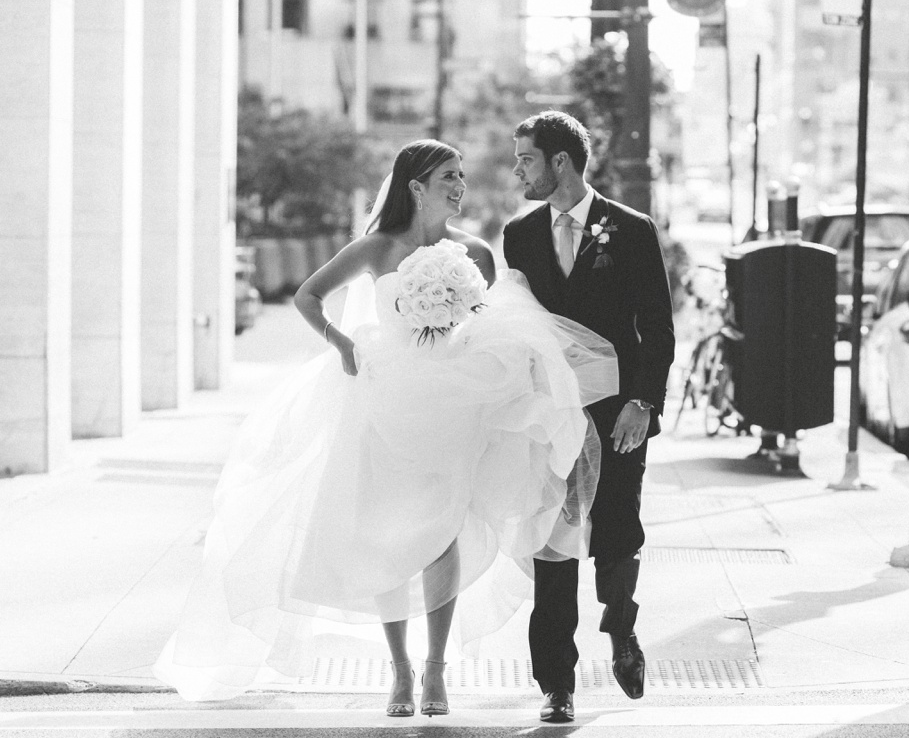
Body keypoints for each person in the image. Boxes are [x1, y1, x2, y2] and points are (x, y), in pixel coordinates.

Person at [154, 140, 618, 718]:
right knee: (385, 531)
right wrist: (342, 343)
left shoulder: (475, 252)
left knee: (444, 530)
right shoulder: (375, 247)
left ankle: (434, 670)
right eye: (448, 176)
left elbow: (492, 322)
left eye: (461, 176)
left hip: (453, 405)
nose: (459, 186)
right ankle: (399, 668)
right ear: (416, 186)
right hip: (384, 398)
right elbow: (309, 296)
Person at [503, 111, 675, 723]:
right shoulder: (518, 234)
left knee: (616, 528)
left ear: (560, 162)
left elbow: (657, 326)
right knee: (553, 540)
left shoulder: (629, 229)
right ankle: (556, 682)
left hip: (617, 411)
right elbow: (516, 324)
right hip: (550, 414)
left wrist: (643, 402)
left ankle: (621, 628)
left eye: (526, 158)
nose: (518, 169)